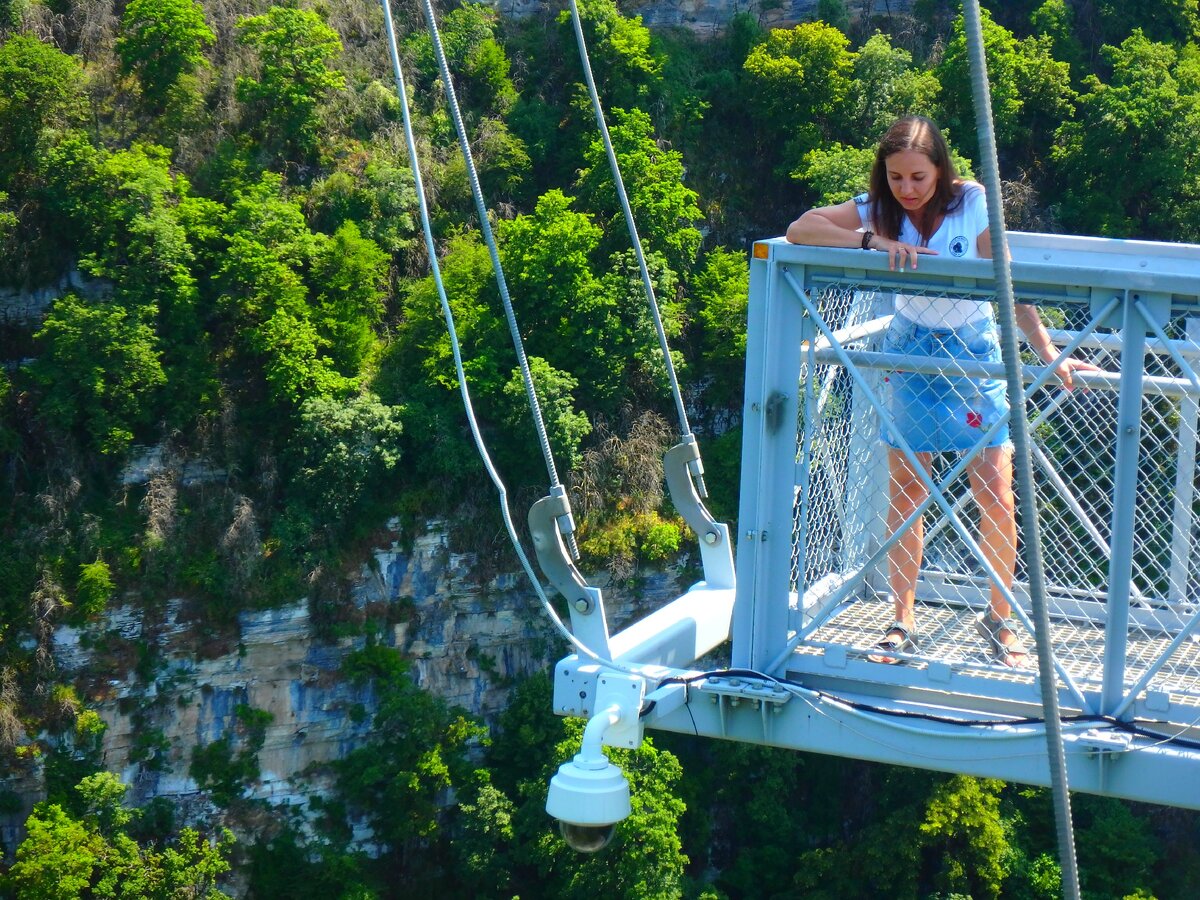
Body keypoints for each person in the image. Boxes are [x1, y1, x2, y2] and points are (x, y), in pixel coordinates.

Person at [785, 116, 1098, 667]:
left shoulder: (971, 202)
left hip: (974, 352)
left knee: (995, 490)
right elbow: (800, 229)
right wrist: (869, 239)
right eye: (897, 177)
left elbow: (1007, 278)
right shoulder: (878, 209)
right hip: (910, 352)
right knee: (908, 488)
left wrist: (1043, 347)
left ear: (941, 171)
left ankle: (1001, 618)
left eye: (918, 178)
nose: (907, 189)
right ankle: (902, 618)